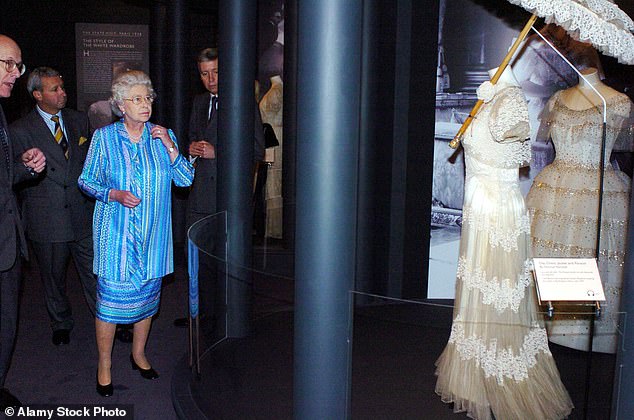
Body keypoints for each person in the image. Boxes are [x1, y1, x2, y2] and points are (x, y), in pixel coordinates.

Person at [434, 66, 573, 420]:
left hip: (498, 208)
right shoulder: (489, 98)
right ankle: (475, 372)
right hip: (479, 207)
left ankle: (504, 371)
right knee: (478, 290)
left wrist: (493, 101)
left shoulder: (509, 100)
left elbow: (512, 148)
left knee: (501, 290)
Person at [78, 70, 194, 397]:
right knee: (109, 306)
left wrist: (171, 147)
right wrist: (112, 193)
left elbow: (185, 180)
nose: (145, 105)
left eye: (148, 98)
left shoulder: (162, 135)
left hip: (153, 238)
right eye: (137, 99)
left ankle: (139, 354)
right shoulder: (104, 138)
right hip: (115, 237)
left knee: (146, 302)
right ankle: (105, 363)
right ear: (120, 105)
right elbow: (86, 181)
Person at [526, 67, 633, 353]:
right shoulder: (557, 99)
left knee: (587, 253)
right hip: (554, 187)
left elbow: (623, 144)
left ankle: (578, 333)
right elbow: (544, 138)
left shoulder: (619, 102)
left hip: (598, 188)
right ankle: (545, 326)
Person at [175, 47, 264, 331]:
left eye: (215, 72)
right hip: (198, 194)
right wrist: (191, 149)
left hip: (225, 196)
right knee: (196, 261)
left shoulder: (242, 102)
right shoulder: (199, 102)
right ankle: (198, 313)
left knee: (222, 263)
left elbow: (256, 150)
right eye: (204, 74)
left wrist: (218, 152)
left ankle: (221, 317)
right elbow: (192, 138)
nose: (211, 79)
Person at [10, 67, 96, 347]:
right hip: (46, 219)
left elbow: (90, 162)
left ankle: (106, 319)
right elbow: (12, 174)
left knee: (95, 274)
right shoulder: (20, 130)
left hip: (82, 214)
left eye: (62, 86)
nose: (62, 92)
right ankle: (60, 322)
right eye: (54, 89)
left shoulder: (79, 120)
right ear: (37, 95)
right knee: (53, 278)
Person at [0, 34, 47, 410]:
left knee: (6, 326)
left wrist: (24, 167)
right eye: (8, 64)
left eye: (19, 65)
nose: (16, 73)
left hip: (7, 243)